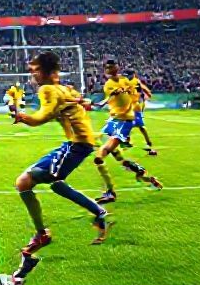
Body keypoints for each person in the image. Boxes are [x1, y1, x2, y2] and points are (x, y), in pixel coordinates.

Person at [12, 52, 112, 271]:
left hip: (78, 145)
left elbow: (41, 117)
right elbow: (80, 102)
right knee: (52, 184)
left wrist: (21, 116)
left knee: (25, 182)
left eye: (35, 71)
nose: (32, 75)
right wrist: (80, 102)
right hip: (77, 143)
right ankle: (98, 212)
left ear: (47, 72)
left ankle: (42, 234)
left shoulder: (47, 89)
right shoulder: (65, 89)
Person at [94, 60, 163, 204]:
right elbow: (113, 94)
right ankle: (142, 174)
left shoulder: (126, 81)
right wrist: (106, 100)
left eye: (113, 66)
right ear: (106, 71)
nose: (111, 69)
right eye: (108, 67)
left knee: (100, 156)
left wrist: (140, 93)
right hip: (113, 120)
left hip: (124, 122)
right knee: (116, 155)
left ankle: (110, 192)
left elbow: (131, 92)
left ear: (117, 67)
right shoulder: (108, 85)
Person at [123, 70, 157, 155]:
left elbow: (139, 93)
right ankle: (127, 141)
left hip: (135, 106)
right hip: (129, 106)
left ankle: (148, 142)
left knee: (140, 126)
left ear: (133, 75)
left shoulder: (135, 82)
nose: (126, 77)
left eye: (127, 75)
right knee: (127, 124)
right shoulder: (126, 82)